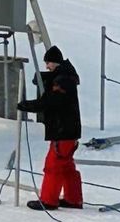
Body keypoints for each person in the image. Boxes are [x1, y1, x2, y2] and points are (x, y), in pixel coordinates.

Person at [19, 47, 84, 211]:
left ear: (55, 62)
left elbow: (49, 102)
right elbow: (54, 89)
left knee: (53, 165)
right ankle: (73, 199)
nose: (47, 66)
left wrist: (26, 105)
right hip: (69, 131)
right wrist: (44, 78)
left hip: (62, 131)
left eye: (48, 63)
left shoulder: (62, 81)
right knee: (66, 167)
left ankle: (48, 200)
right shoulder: (65, 77)